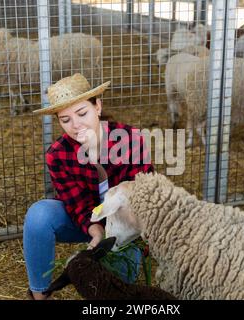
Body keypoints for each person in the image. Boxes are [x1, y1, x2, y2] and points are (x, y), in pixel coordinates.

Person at [23, 73, 154, 300]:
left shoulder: (132, 139)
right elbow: (76, 205)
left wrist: (116, 237)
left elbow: (145, 196)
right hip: (87, 222)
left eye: (82, 113)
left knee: (108, 282)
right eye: (65, 119)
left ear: (98, 107)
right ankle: (39, 294)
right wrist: (96, 231)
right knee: (39, 215)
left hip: (128, 227)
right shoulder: (58, 154)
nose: (76, 125)